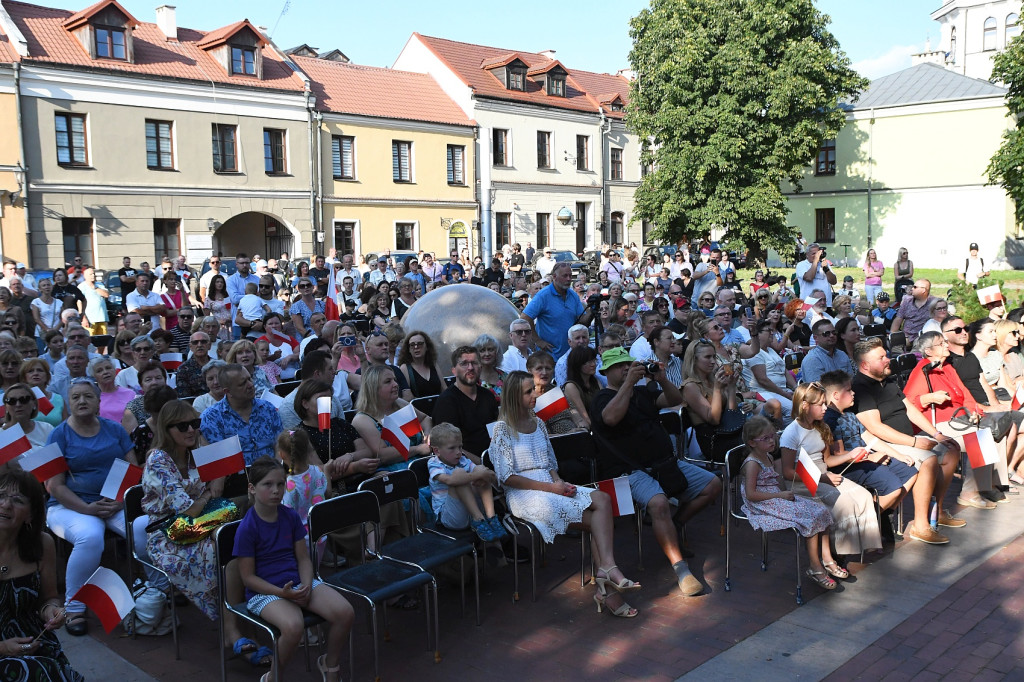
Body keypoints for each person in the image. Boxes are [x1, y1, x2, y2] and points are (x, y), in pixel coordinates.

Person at [492, 371, 642, 616]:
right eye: (528, 392)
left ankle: (606, 572)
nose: (534, 395)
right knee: (598, 520)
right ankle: (608, 584)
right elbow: (507, 477)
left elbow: (551, 464)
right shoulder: (502, 430)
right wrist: (553, 488)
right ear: (513, 396)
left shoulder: (538, 422)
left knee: (602, 499)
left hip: (551, 484)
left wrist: (560, 483)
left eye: (533, 390)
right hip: (524, 494)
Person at [592, 347, 720, 596]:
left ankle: (676, 524)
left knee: (712, 485)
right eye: (620, 366)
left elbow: (673, 400)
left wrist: (661, 379)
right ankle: (681, 568)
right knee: (659, 503)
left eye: (628, 364)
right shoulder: (602, 398)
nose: (626, 369)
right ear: (606, 371)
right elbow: (610, 419)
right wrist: (628, 383)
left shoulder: (641, 392)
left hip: (663, 462)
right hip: (628, 470)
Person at [234, 457, 354, 682]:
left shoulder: (289, 516)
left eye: (280, 484)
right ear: (252, 488)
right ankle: (273, 677)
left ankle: (330, 665)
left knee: (345, 613)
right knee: (293, 626)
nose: (276, 490)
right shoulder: (247, 528)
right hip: (265, 593)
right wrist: (282, 593)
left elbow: (303, 558)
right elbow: (248, 578)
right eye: (268, 485)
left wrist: (307, 584)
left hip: (297, 582)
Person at [45, 379, 140, 635]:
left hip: (113, 502)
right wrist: (87, 509)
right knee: (90, 537)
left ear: (99, 401)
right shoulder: (58, 435)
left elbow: (132, 469)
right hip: (69, 507)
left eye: (88, 396)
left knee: (142, 528)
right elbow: (55, 486)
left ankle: (157, 590)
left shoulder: (114, 429)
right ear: (68, 403)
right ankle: (74, 609)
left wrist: (119, 501)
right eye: (75, 397)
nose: (82, 401)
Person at [851, 337, 964, 544]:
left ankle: (936, 510)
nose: (888, 360)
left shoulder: (888, 380)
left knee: (951, 450)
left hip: (909, 439)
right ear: (865, 365)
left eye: (885, 355)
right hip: (887, 445)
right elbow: (875, 428)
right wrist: (914, 443)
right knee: (929, 460)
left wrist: (936, 434)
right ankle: (920, 526)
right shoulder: (860, 387)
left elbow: (909, 409)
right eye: (881, 357)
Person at [904, 332, 1007, 508]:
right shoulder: (923, 370)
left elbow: (965, 395)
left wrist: (974, 412)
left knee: (996, 433)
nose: (946, 345)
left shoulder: (948, 367)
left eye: (945, 341)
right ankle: (969, 493)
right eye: (941, 343)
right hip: (937, 423)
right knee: (980, 438)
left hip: (961, 417)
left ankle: (988, 485)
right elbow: (909, 403)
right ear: (929, 351)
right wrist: (929, 398)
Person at [780, 383, 882, 559]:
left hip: (824, 475)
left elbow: (827, 460)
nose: (825, 408)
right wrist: (822, 478)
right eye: (820, 404)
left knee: (863, 496)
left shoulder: (821, 427)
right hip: (803, 481)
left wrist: (851, 455)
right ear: (805, 406)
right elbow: (788, 472)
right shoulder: (792, 433)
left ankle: (865, 544)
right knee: (844, 503)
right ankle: (838, 554)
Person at [0, 469, 81, 679]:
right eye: (0, 495)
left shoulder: (42, 544)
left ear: (31, 514)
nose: (6, 504)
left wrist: (52, 611)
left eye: (17, 500)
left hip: (32, 641)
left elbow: (48, 598)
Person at [740, 417, 838, 590]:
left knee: (821, 510)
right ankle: (815, 567)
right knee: (810, 518)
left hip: (776, 496)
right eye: (766, 438)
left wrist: (787, 495)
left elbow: (777, 480)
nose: (772, 441)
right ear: (752, 443)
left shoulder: (768, 457)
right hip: (763, 502)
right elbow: (751, 494)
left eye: (772, 436)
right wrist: (781, 495)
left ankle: (827, 558)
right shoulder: (752, 464)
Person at [426, 422, 505, 541]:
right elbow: (450, 480)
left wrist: (485, 474)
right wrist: (479, 474)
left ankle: (491, 517)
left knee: (479, 469)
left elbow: (483, 473)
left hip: (470, 511)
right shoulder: (433, 463)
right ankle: (478, 520)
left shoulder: (463, 459)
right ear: (437, 451)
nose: (458, 452)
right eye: (452, 448)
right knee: (459, 475)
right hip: (450, 518)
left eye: (460, 447)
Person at [200, 363, 283, 466]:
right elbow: (218, 463)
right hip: (236, 478)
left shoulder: (267, 408)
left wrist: (278, 469)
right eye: (242, 383)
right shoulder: (211, 418)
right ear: (227, 391)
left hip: (274, 472)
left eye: (249, 379)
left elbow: (280, 443)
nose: (250, 385)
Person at [352, 365, 431, 471]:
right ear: (373, 387)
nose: (395, 384)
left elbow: (425, 419)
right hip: (395, 473)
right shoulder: (363, 419)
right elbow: (383, 455)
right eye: (388, 381)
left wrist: (427, 435)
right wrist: (417, 449)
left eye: (395, 380)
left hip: (425, 462)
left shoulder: (400, 403)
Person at [433, 346, 499, 462]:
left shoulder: (488, 396)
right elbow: (448, 448)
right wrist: (483, 464)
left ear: (480, 367)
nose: (470, 368)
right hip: (466, 466)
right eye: (464, 364)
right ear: (454, 370)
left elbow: (497, 432)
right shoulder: (446, 402)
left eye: (474, 363)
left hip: (497, 457)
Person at [276, 429, 329, 558]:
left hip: (298, 541)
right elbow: (327, 493)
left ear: (282, 455)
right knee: (314, 570)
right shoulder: (317, 471)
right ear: (308, 450)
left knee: (303, 573)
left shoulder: (288, 484)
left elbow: (286, 514)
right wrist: (327, 471)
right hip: (320, 534)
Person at [521, 262, 590, 359]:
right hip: (549, 357)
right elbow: (525, 317)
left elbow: (582, 320)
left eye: (570, 275)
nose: (569, 279)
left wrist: (591, 310)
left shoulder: (573, 295)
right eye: (565, 276)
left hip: (570, 355)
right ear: (554, 276)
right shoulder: (543, 295)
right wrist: (538, 341)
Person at [397, 331, 443, 399]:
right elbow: (407, 398)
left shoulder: (433, 364)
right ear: (408, 349)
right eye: (412, 345)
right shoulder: (405, 368)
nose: (416, 347)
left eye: (420, 344)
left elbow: (444, 388)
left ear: (427, 346)